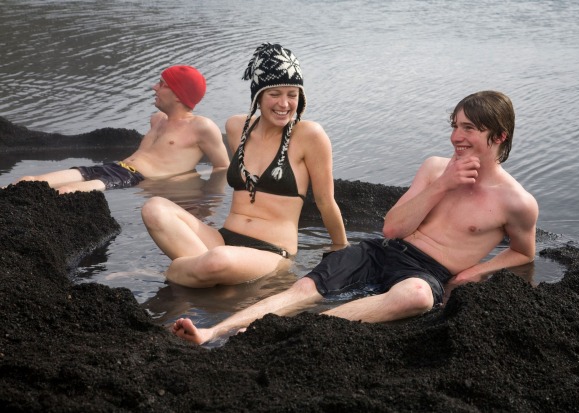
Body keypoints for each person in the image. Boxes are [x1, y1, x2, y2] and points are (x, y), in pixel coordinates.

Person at [171, 90, 540, 345]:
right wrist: (442, 184)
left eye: (469, 129)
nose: (455, 137)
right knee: (302, 290)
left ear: (499, 136)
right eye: (455, 125)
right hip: (385, 249)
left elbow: (524, 252)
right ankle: (213, 332)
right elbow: (393, 227)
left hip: (428, 273)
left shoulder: (517, 203)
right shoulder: (435, 169)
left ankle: (292, 333)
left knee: (417, 297)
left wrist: (471, 274)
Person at [141, 43, 348, 288]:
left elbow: (326, 202)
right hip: (222, 239)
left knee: (216, 261)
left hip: (271, 252)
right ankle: (201, 274)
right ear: (258, 95)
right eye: (275, 94)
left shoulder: (309, 135)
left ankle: (178, 273)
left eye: (292, 94)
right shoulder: (237, 127)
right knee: (154, 208)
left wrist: (342, 249)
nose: (284, 104)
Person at [16, 65, 230, 194]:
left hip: (132, 180)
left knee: (68, 192)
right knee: (28, 182)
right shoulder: (158, 120)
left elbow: (222, 167)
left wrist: (184, 179)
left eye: (162, 84)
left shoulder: (202, 127)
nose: (154, 87)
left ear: (177, 94)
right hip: (113, 167)